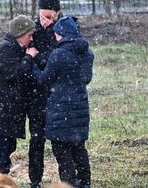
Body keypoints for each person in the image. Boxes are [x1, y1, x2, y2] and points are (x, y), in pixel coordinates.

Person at [32, 16, 94, 188]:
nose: (55, 38)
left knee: (62, 152)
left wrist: (33, 62)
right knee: (79, 149)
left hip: (61, 111)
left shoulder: (58, 54)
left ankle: (70, 184)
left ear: (61, 34)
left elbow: (44, 80)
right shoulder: (88, 53)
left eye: (57, 35)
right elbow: (86, 78)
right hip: (80, 110)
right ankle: (85, 183)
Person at [0, 15, 39, 174]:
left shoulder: (16, 47)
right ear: (20, 34)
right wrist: (29, 56)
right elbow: (16, 74)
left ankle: (2, 178)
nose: (31, 39)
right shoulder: (6, 48)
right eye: (29, 35)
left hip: (7, 110)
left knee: (7, 148)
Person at [27, 0, 63, 188]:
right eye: (42, 15)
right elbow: (29, 54)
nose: (45, 20)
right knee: (36, 140)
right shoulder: (33, 29)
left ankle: (67, 179)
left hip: (58, 95)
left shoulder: (65, 28)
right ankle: (35, 181)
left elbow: (58, 57)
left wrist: (41, 57)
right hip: (37, 95)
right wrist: (41, 58)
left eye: (49, 16)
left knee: (61, 141)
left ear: (57, 13)